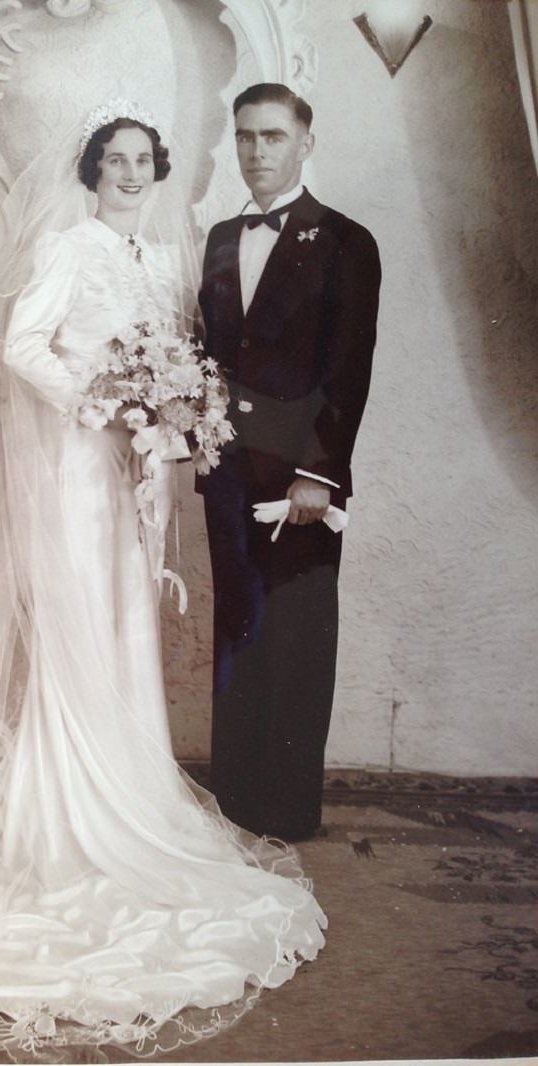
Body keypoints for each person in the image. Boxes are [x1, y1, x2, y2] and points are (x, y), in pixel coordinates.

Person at [0, 101, 326, 1059]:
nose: (129, 172)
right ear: (89, 172)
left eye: (142, 160)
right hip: (82, 467)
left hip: (143, 475)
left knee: (128, 622)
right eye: (114, 160)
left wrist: (168, 412)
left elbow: (188, 359)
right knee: (83, 618)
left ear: (159, 172)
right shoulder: (68, 251)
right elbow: (22, 348)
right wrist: (103, 405)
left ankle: (137, 792)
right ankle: (73, 807)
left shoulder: (164, 260)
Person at [198, 83, 382, 842]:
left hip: (299, 477)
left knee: (298, 636)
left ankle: (286, 812)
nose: (256, 152)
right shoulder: (217, 237)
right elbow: (212, 354)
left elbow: (348, 367)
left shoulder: (345, 240)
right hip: (230, 467)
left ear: (306, 142)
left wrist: (320, 471)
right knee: (239, 628)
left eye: (272, 137)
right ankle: (235, 805)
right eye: (244, 137)